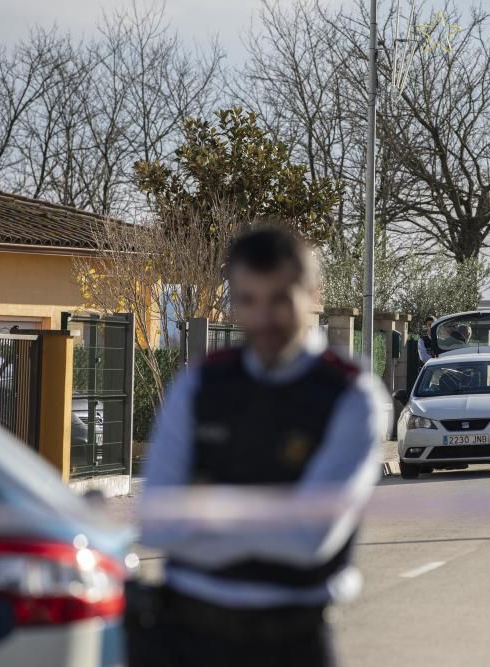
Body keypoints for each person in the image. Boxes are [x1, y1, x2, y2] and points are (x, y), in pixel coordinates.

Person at [126, 228, 385, 667]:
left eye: (280, 299)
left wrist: (205, 507)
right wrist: (277, 512)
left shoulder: (351, 395)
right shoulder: (200, 383)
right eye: (248, 300)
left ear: (313, 294)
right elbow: (155, 521)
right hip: (179, 638)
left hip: (290, 642)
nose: (263, 318)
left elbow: (309, 540)